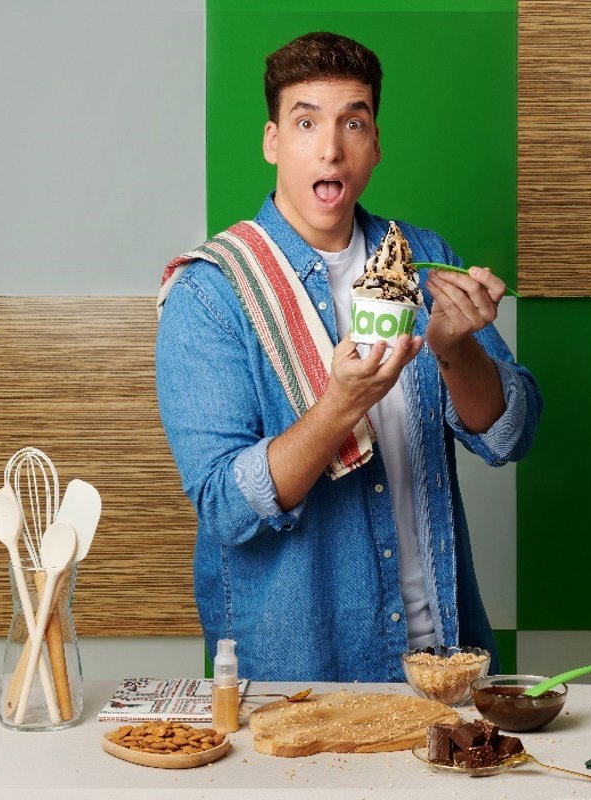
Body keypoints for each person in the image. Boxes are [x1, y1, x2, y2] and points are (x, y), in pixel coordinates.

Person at [155, 31, 541, 682]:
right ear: (273, 140)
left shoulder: (421, 257)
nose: (331, 148)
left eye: (352, 122)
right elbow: (224, 506)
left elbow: (511, 435)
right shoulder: (212, 292)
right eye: (306, 122)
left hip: (443, 658)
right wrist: (340, 407)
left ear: (375, 143)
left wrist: (455, 348)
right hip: (302, 677)